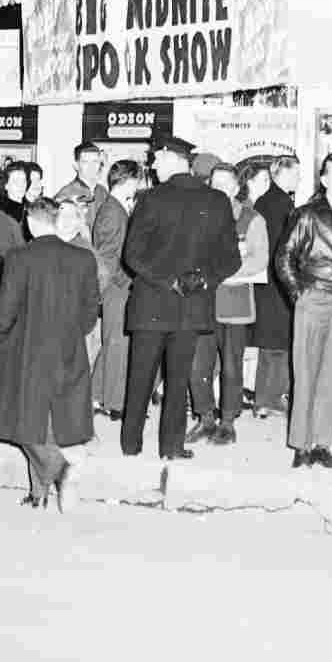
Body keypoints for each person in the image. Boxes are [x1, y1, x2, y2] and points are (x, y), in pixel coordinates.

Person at [119, 136, 240, 461]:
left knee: (141, 376)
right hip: (192, 305)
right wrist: (202, 281)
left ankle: (130, 444)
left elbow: (133, 255)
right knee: (178, 380)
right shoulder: (217, 201)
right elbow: (231, 259)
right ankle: (171, 448)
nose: (153, 165)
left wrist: (168, 281)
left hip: (152, 304)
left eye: (156, 159)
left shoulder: (151, 198)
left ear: (173, 158)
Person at [0, 198, 100, 509]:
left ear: (31, 223)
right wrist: (73, 333)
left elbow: (5, 311)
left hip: (26, 349)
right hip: (68, 347)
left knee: (25, 422)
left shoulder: (19, 258)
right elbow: (91, 310)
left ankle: (58, 472)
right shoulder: (82, 258)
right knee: (46, 423)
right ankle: (38, 492)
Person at [275, 152, 332, 469]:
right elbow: (284, 259)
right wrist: (299, 295)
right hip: (314, 299)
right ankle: (300, 446)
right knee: (305, 373)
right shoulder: (307, 215)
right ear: (325, 180)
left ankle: (321, 445)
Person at [187, 163, 265, 445]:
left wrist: (227, 272)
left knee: (232, 366)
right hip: (203, 302)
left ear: (235, 188)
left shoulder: (252, 218)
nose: (218, 190)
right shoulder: (197, 216)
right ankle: (205, 418)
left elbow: (259, 259)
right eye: (213, 184)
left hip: (235, 302)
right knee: (198, 365)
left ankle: (228, 422)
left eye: (224, 185)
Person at [85, 159, 138, 419]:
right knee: (117, 345)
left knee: (113, 345)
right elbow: (106, 258)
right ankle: (114, 403)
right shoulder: (112, 212)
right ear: (128, 181)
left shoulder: (116, 208)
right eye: (136, 180)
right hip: (116, 288)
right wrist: (125, 281)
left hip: (117, 286)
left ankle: (98, 395)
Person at [249, 155, 297, 417]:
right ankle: (271, 398)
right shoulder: (281, 202)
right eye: (296, 173)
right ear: (284, 174)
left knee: (270, 345)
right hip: (278, 282)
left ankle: (263, 400)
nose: (299, 178)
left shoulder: (266, 201)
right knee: (279, 344)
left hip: (266, 281)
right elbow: (285, 246)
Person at [0, 162, 30, 256]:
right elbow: (5, 252)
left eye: (23, 181)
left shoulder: (29, 210)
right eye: (15, 181)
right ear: (6, 185)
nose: (20, 185)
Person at [55, 142, 107, 206]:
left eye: (95, 161)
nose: (91, 166)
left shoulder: (102, 191)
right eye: (85, 162)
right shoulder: (66, 195)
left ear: (100, 164)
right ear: (76, 165)